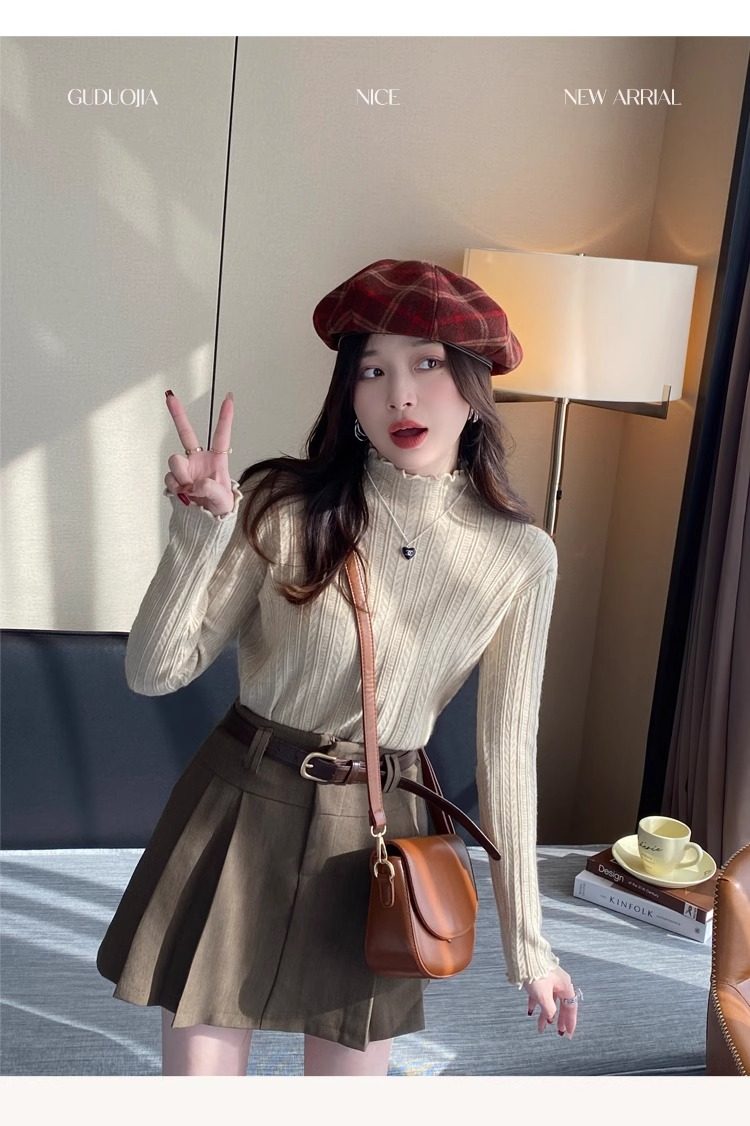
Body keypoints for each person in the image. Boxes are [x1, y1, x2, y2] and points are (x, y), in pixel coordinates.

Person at [96, 257, 581, 1077]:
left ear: (474, 387)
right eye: (373, 370)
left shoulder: (520, 556)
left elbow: (507, 756)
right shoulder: (282, 504)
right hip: (242, 802)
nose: (401, 395)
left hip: (378, 835)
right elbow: (154, 671)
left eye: (427, 364)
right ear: (349, 395)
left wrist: (529, 947)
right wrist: (200, 533)